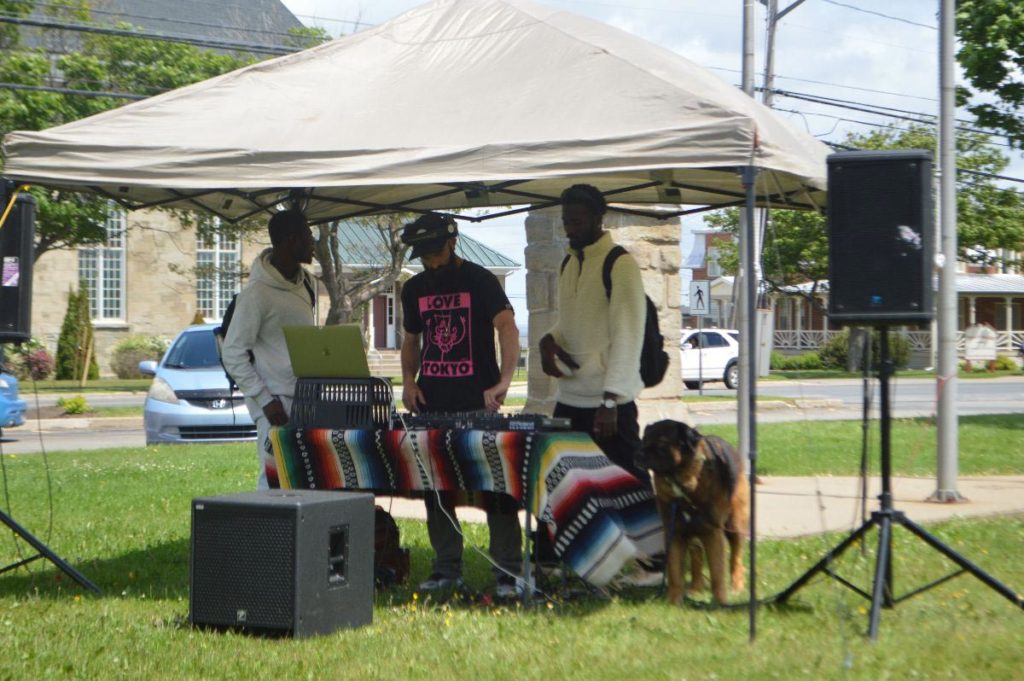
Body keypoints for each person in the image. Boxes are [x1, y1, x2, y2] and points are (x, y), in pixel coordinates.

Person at [538, 184, 661, 583]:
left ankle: (655, 564)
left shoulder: (619, 263)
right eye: (565, 221)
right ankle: (560, 559)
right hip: (572, 393)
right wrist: (548, 339)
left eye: (576, 220)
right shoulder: (568, 262)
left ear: (597, 218)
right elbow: (572, 320)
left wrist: (612, 400)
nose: (569, 228)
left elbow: (629, 331)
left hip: (611, 399)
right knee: (561, 478)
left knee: (629, 481)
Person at [399, 212, 523, 599]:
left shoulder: (481, 280)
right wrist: (407, 381)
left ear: (453, 243)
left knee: (495, 490)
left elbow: (508, 328)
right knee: (436, 489)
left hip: (476, 405)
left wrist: (504, 380)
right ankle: (445, 569)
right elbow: (411, 339)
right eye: (423, 255)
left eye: (434, 252)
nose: (430, 261)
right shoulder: (414, 288)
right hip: (432, 403)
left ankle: (507, 573)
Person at [222, 208, 316, 490]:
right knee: (275, 481)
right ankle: (269, 533)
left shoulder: (307, 283)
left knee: (303, 480)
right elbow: (233, 353)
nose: (313, 243)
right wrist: (264, 399)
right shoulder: (256, 295)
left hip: (305, 400)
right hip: (275, 405)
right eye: (308, 236)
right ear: (290, 240)